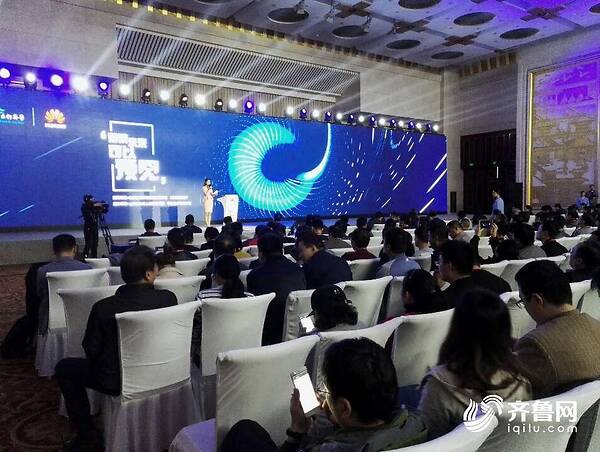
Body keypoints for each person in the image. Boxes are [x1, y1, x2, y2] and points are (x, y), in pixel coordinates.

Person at [54, 247, 177, 449]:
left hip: (115, 381)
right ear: (148, 275)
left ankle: (85, 433)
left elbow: (91, 349)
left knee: (65, 368)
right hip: (164, 371)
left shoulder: (104, 307)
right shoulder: (168, 298)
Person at [221, 338, 427, 452]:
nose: (323, 396)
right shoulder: (415, 422)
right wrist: (335, 415)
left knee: (244, 430)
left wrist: (297, 430)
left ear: (345, 408)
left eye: (327, 391)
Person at [418, 289, 531, 439]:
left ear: (457, 329)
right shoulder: (521, 378)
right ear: (504, 331)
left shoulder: (439, 385)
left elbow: (429, 440)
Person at [514, 261, 600, 398]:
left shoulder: (535, 343)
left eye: (523, 301)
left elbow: (517, 397)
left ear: (537, 300)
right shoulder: (595, 325)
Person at [246, 233, 306, 345]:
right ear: (281, 250)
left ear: (261, 254)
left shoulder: (255, 275)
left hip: (267, 335)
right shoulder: (298, 270)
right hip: (298, 330)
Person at [36, 234, 91, 333]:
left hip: (50, 321)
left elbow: (39, 294)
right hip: (81, 318)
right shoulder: (87, 269)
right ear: (75, 249)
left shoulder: (43, 271)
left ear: (54, 250)